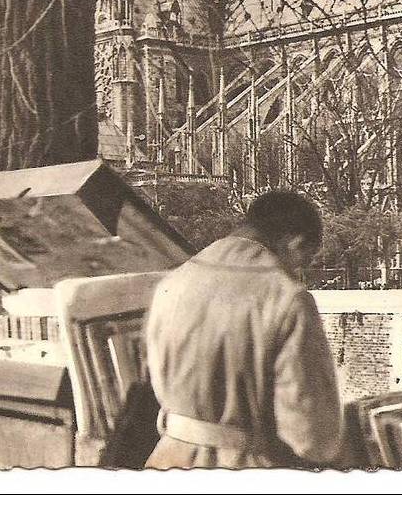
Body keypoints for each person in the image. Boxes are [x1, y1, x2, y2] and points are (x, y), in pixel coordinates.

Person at [144, 190, 343, 469]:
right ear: (294, 244)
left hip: (167, 459)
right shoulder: (287, 297)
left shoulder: (174, 281)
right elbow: (310, 436)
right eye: (305, 261)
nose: (300, 272)